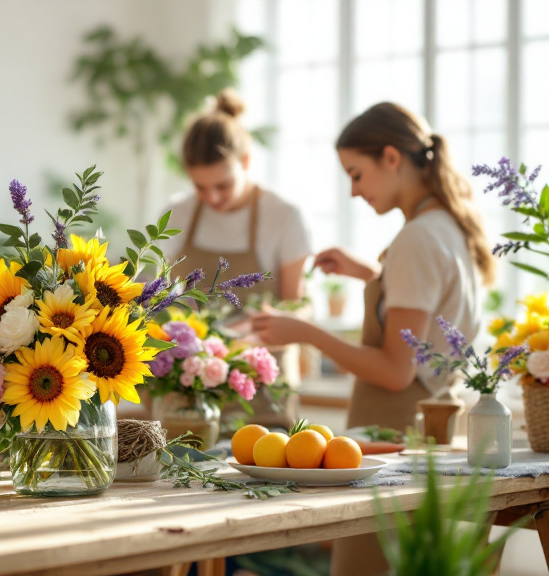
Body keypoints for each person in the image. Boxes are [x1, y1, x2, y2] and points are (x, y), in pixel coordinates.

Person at [251, 102, 495, 576]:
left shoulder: (416, 240)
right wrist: (373, 276)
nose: (353, 191)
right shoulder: (446, 228)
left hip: (394, 434)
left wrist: (304, 332)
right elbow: (431, 315)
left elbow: (396, 369)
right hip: (432, 428)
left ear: (390, 157)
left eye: (356, 174)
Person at [156, 88, 313, 428]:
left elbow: (295, 307)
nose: (211, 198)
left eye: (223, 185)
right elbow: (153, 292)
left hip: (259, 390)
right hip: (186, 390)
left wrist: (239, 333)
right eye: (200, 187)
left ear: (245, 162)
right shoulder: (178, 213)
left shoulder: (283, 216)